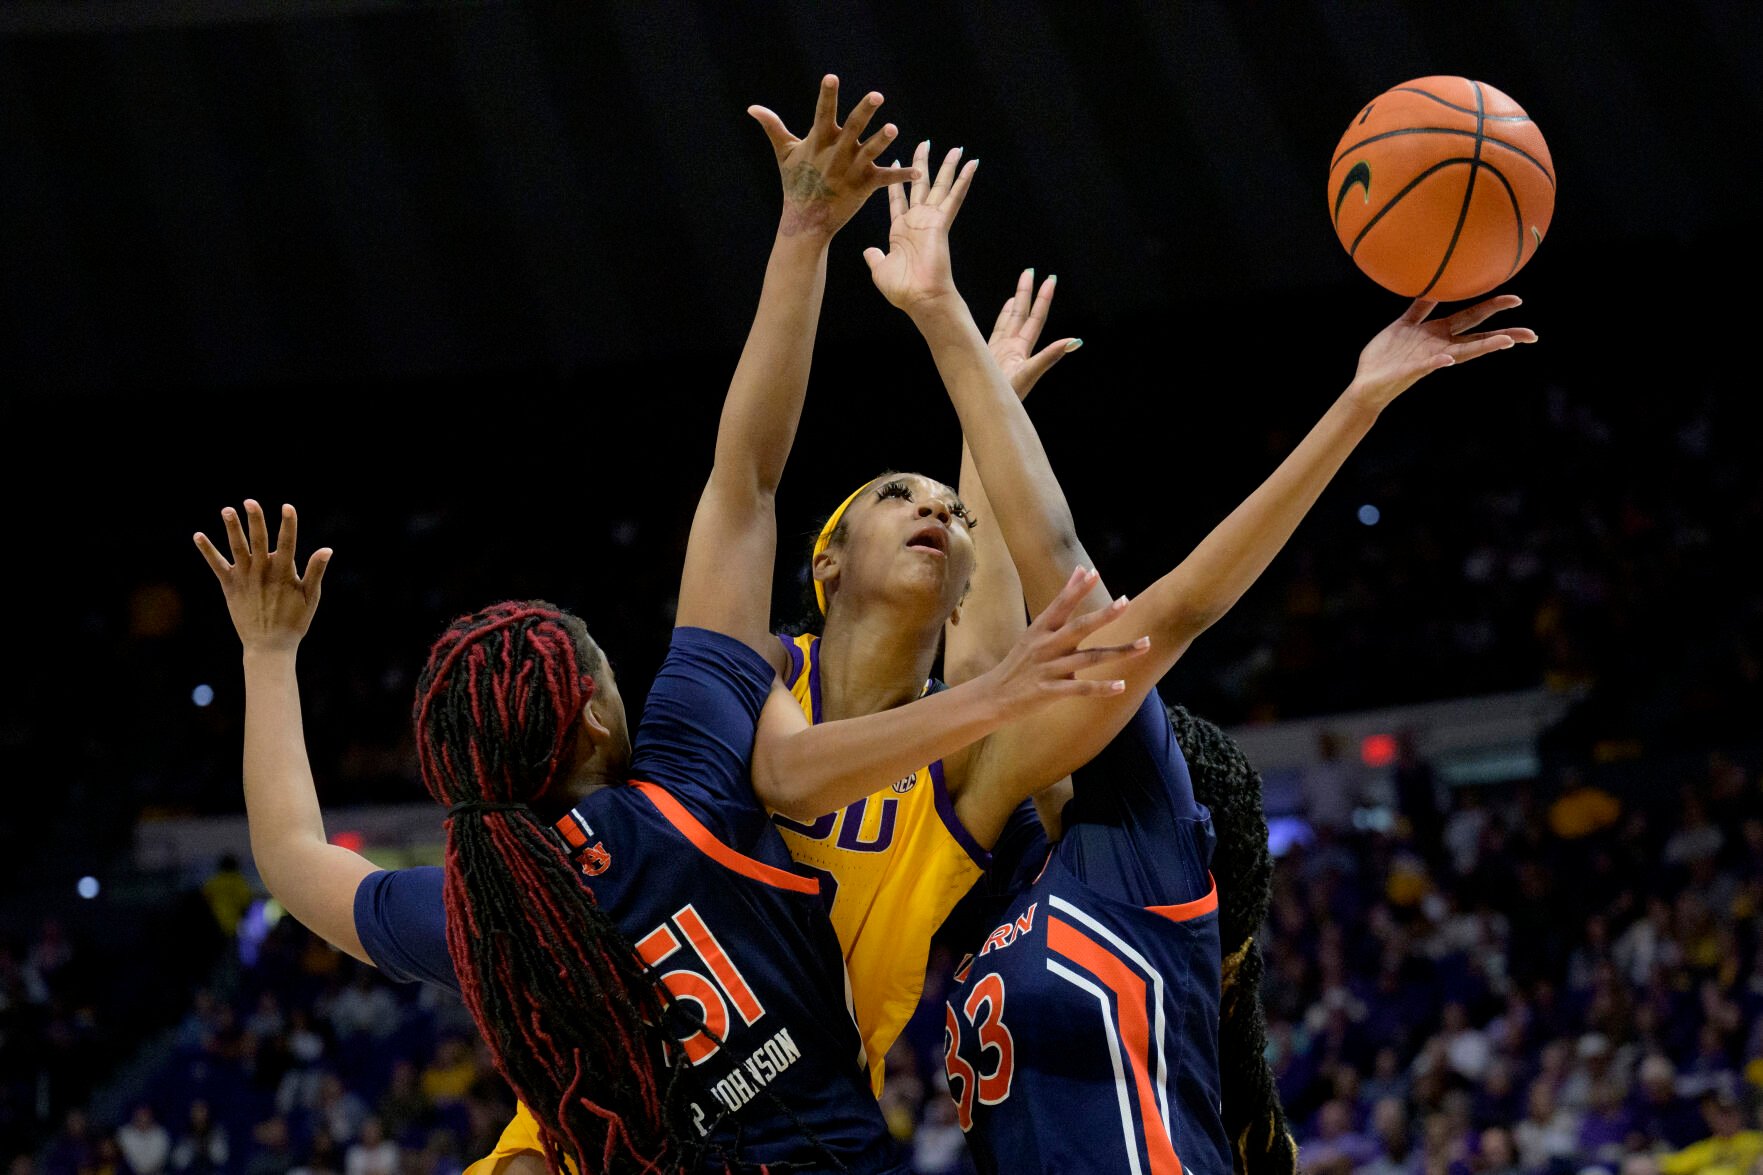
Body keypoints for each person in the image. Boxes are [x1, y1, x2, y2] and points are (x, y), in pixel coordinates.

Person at [195, 85, 1149, 1175]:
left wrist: (267, 657)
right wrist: (802, 234)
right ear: (601, 709)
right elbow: (743, 483)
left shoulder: (485, 898)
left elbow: (290, 856)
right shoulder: (694, 767)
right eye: (899, 496)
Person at [854, 136, 1535, 1172]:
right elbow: (983, 653)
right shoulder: (1006, 881)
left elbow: (1131, 594)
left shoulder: (1135, 840)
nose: (1086, 699)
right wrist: (982, 407)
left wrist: (1358, 398)